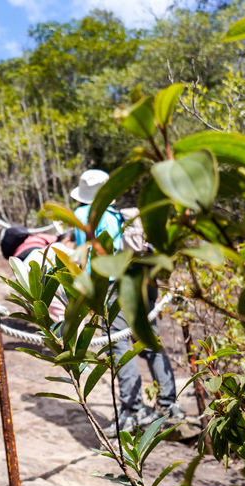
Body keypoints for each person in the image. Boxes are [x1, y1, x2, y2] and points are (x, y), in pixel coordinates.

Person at [71, 169, 181, 437]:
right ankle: (169, 405)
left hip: (109, 285)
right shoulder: (117, 214)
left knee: (118, 346)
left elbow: (84, 259)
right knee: (149, 339)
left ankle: (131, 412)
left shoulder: (82, 216)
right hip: (138, 280)